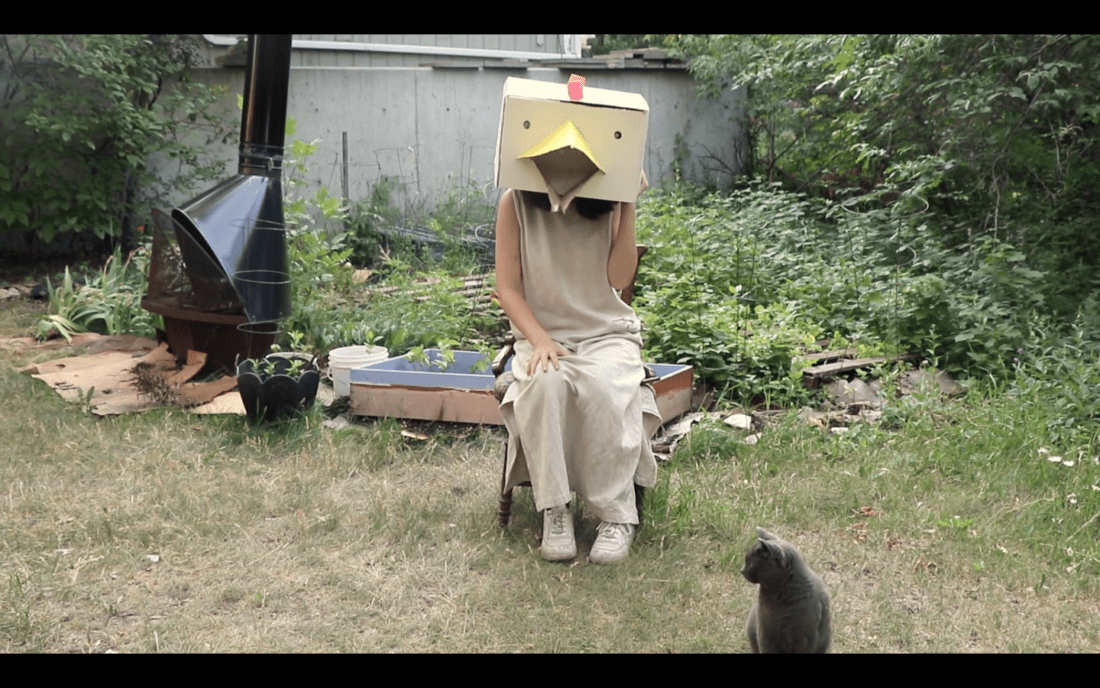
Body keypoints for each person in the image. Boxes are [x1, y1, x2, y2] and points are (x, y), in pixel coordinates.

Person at [494, 179, 662, 564]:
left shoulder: (607, 201)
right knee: (545, 384)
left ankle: (616, 516)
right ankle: (555, 509)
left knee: (606, 389)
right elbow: (508, 288)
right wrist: (539, 341)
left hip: (607, 335)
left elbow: (619, 280)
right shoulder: (514, 202)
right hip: (544, 335)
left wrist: (627, 202)